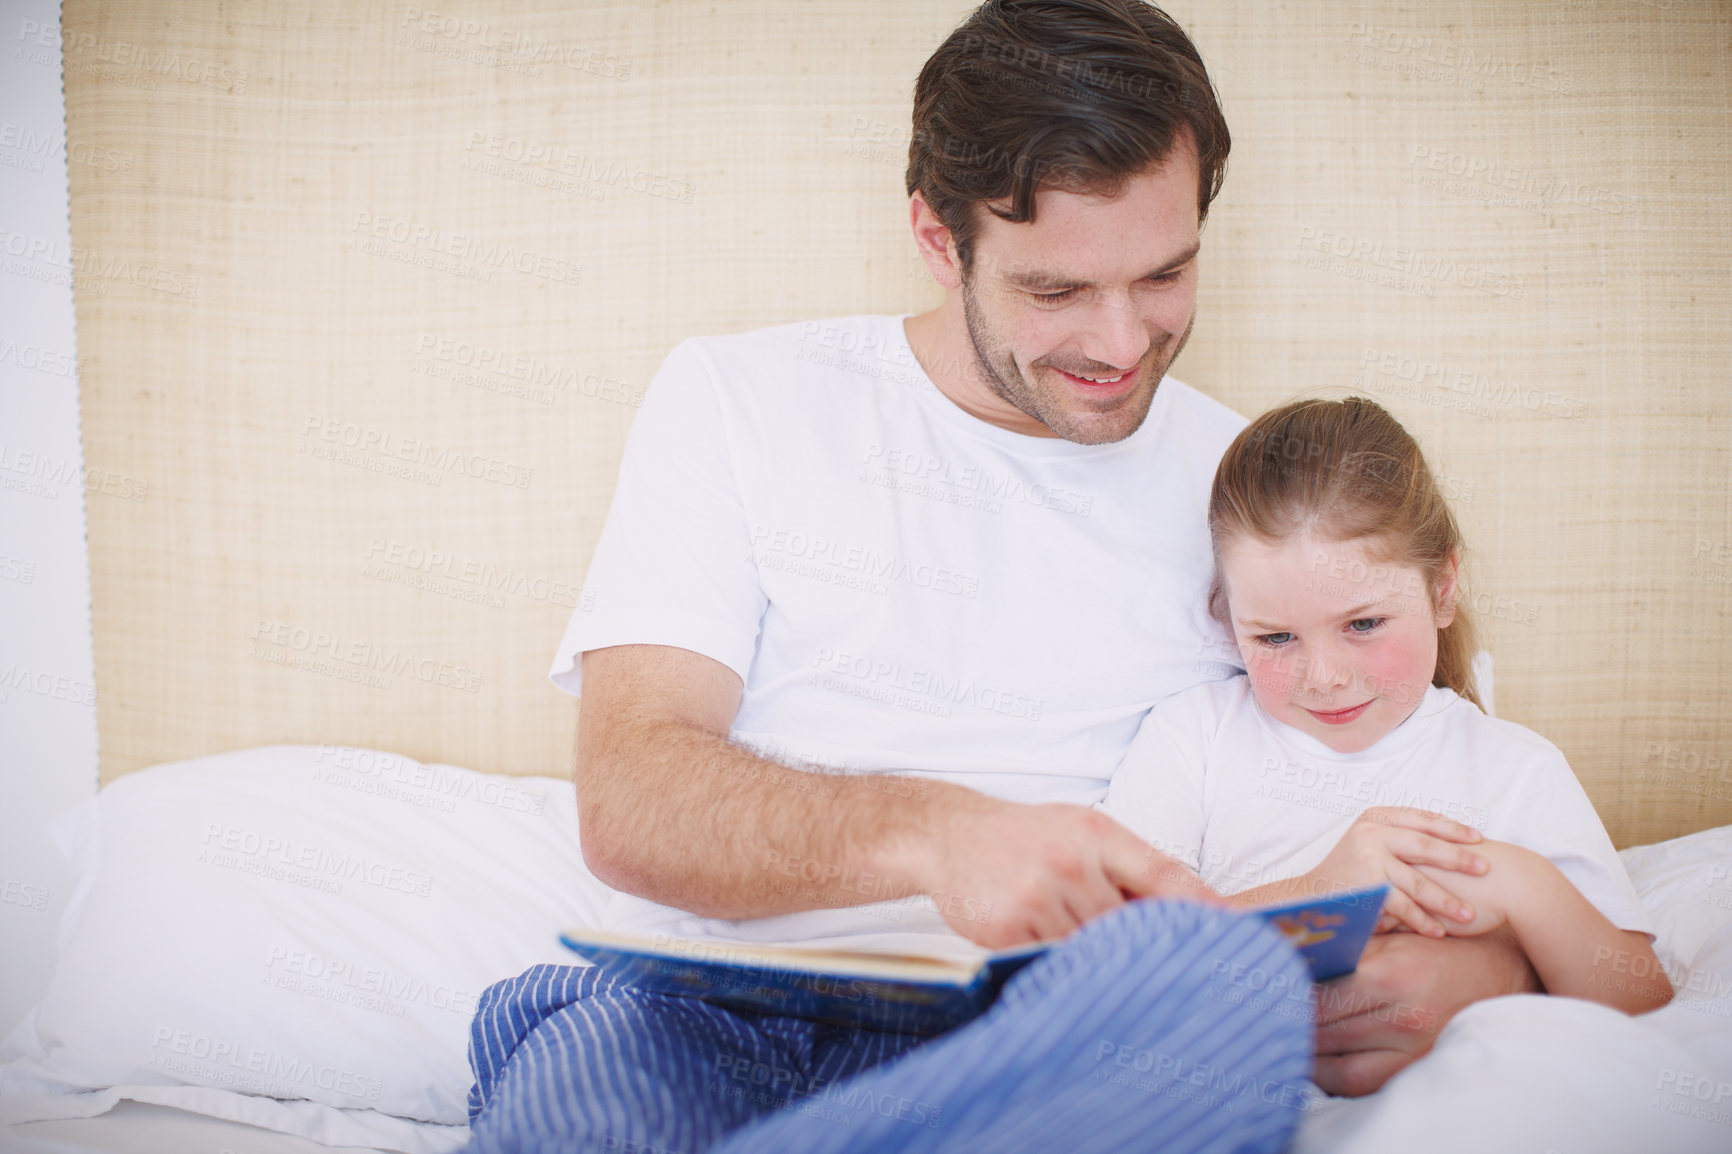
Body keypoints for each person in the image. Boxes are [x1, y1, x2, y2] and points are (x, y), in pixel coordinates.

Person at [462, 3, 1541, 1150]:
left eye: (1164, 274)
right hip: (696, 1008)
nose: (1121, 343)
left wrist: (1490, 968)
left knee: (1219, 985)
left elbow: (1413, 761)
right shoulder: (738, 398)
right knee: (583, 1093)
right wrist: (939, 835)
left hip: (1064, 1026)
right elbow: (631, 800)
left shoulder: (1253, 495)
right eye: (1055, 291)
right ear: (938, 238)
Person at [1101, 396, 1672, 1065]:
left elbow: (1642, 998)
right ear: (1227, 616)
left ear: (1442, 589)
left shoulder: (1513, 767)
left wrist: (1518, 887)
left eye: (1363, 624)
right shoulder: (1193, 737)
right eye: (1276, 636)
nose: (1324, 677)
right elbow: (1109, 958)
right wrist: (1321, 892)